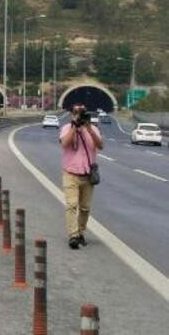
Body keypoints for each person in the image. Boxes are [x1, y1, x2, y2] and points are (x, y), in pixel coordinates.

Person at [59, 104, 103, 250]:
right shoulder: (67, 128)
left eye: (82, 113)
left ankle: (80, 232)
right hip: (70, 174)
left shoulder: (93, 129)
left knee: (85, 208)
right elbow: (65, 144)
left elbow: (100, 145)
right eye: (76, 113)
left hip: (87, 176)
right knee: (71, 205)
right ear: (72, 114)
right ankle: (73, 236)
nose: (79, 115)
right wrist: (74, 127)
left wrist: (89, 129)